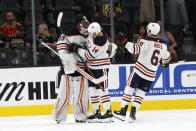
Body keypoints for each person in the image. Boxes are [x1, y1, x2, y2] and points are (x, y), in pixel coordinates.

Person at [113, 23, 171, 123]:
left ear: (149, 31)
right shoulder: (164, 45)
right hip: (151, 74)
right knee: (141, 93)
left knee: (129, 89)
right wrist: (164, 63)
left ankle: (123, 112)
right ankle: (133, 113)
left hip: (139, 71)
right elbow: (167, 59)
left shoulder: (145, 40)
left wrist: (124, 41)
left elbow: (134, 49)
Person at [68, 22, 117, 123]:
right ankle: (96, 112)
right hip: (91, 67)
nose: (91, 35)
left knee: (102, 89)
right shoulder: (95, 32)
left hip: (101, 67)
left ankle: (108, 112)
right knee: (92, 90)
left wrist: (76, 49)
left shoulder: (101, 42)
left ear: (96, 32)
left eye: (92, 33)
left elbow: (88, 56)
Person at [52, 14, 90, 123]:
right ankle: (58, 116)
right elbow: (61, 47)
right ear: (78, 25)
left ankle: (81, 115)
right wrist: (67, 58)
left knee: (82, 94)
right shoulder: (69, 34)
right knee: (64, 93)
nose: (85, 28)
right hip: (69, 68)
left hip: (83, 68)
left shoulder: (90, 33)